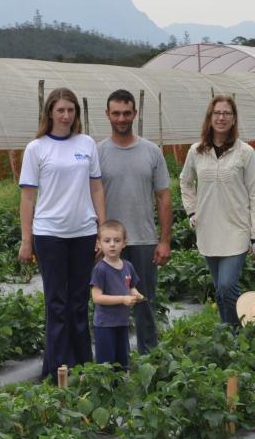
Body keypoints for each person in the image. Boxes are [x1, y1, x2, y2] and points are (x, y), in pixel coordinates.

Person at [18, 87, 106, 382]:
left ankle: (83, 365)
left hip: (83, 232)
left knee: (79, 301)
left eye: (71, 110)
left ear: (76, 114)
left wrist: (101, 232)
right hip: (49, 233)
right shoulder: (37, 148)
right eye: (61, 110)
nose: (66, 115)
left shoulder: (87, 144)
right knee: (56, 302)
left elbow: (96, 188)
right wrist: (27, 239)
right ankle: (55, 369)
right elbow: (28, 197)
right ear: (50, 113)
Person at [179, 94, 255, 326]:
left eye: (227, 113)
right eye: (217, 113)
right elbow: (185, 181)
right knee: (219, 290)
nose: (221, 117)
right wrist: (192, 211)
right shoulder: (196, 151)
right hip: (208, 230)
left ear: (234, 119)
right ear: (209, 117)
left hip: (236, 229)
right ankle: (230, 334)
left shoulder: (245, 152)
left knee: (227, 286)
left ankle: (235, 334)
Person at [99, 89, 172, 354]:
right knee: (109, 304)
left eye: (126, 113)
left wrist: (164, 241)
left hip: (143, 239)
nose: (121, 118)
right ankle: (114, 361)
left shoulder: (151, 151)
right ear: (107, 114)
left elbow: (163, 197)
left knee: (144, 303)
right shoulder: (98, 153)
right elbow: (89, 197)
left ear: (135, 114)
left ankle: (149, 357)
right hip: (109, 244)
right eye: (116, 113)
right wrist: (98, 239)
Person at [90, 219, 144, 367]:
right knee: (106, 364)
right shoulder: (100, 269)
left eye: (117, 240)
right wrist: (122, 299)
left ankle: (121, 388)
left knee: (122, 361)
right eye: (107, 241)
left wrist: (136, 294)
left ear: (124, 243)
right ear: (99, 244)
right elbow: (97, 297)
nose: (112, 244)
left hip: (122, 322)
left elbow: (131, 286)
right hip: (105, 324)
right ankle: (106, 389)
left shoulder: (128, 266)